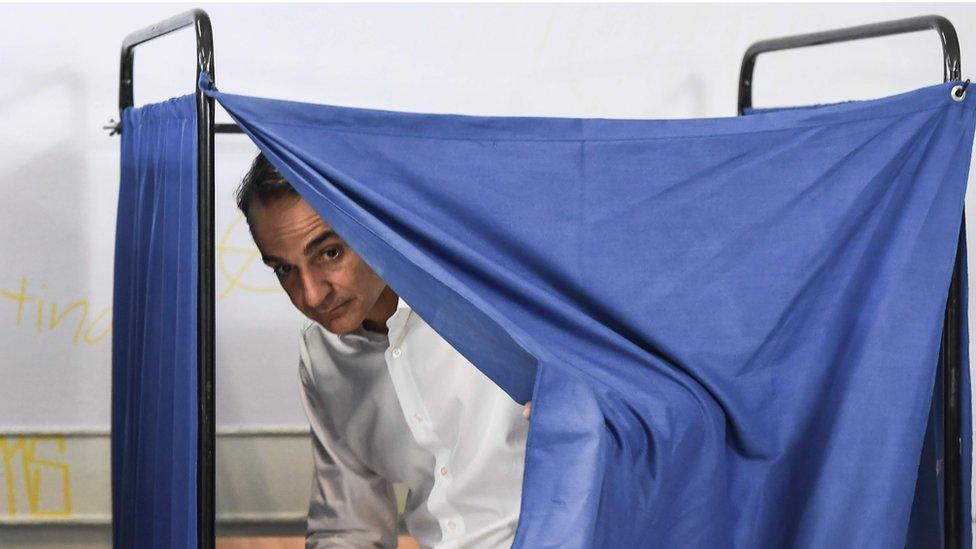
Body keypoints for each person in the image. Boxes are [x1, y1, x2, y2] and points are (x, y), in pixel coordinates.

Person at [236, 153, 530, 548]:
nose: (311, 294)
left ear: (372, 223)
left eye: (330, 252)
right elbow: (350, 527)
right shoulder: (321, 356)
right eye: (285, 269)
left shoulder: (499, 301)